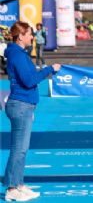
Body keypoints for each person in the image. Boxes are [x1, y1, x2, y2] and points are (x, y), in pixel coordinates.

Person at [3, 21, 61, 201]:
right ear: (20, 36)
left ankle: (18, 184)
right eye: (29, 34)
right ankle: (11, 188)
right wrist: (49, 69)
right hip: (20, 104)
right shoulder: (17, 55)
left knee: (22, 149)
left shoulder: (20, 53)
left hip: (25, 105)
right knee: (18, 149)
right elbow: (29, 81)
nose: (32, 37)